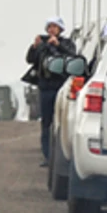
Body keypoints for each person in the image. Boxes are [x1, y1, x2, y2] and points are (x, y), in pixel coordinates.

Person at [26, 17, 76, 167]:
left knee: (62, 122)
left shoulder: (67, 43)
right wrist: (35, 47)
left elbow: (72, 57)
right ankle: (47, 156)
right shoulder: (42, 44)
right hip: (46, 88)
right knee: (46, 123)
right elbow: (30, 59)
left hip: (61, 87)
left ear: (60, 29)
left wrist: (59, 46)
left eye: (55, 27)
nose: (52, 29)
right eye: (50, 27)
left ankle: (62, 155)